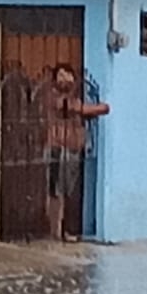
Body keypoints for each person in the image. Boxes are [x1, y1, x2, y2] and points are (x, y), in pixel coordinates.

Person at [43, 64, 111, 242]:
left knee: (70, 191)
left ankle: (66, 231)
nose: (64, 80)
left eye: (68, 76)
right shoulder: (53, 96)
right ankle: (55, 232)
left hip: (73, 149)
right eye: (61, 76)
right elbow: (75, 108)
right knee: (56, 191)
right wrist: (100, 108)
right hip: (57, 148)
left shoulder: (76, 96)